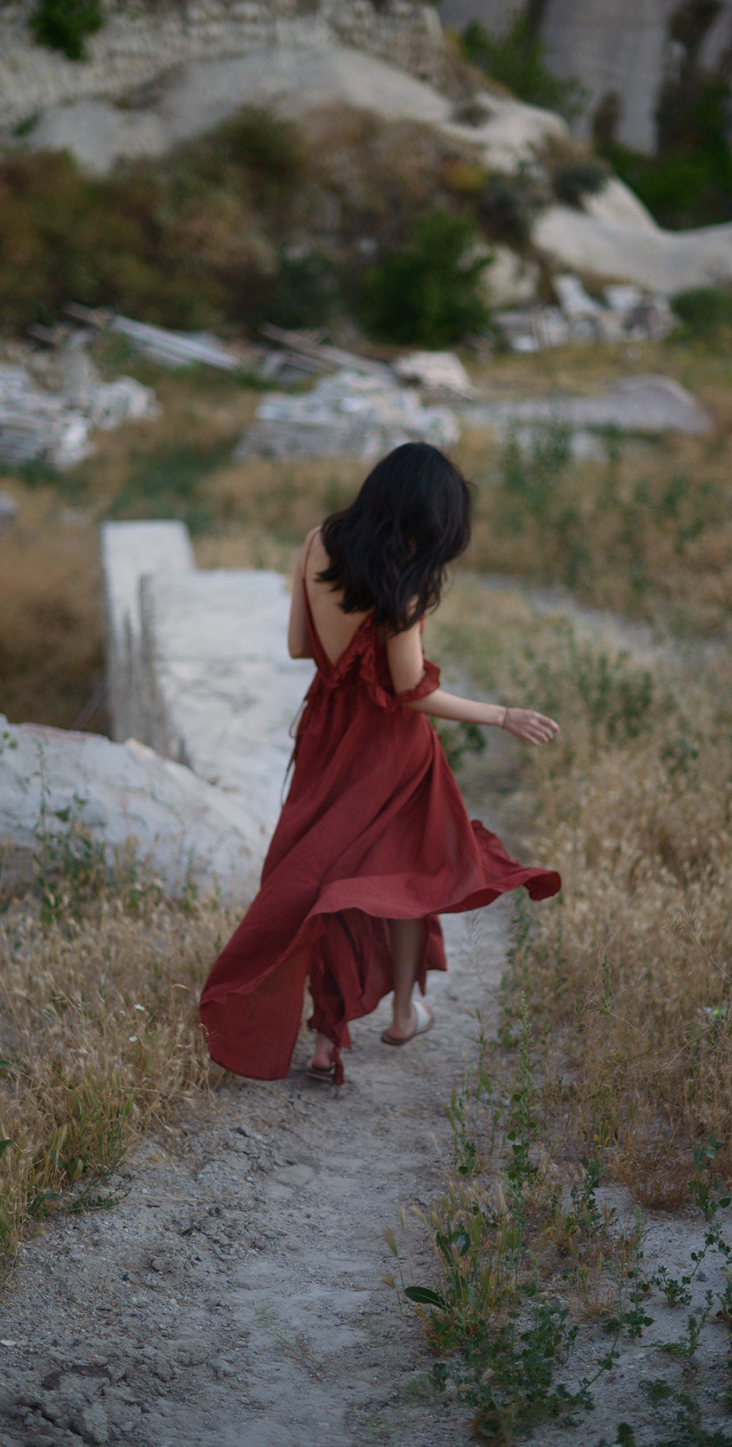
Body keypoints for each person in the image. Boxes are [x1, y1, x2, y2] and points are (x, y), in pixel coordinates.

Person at [199, 442, 561, 1086]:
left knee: (318, 880)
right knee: (412, 872)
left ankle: (324, 1040)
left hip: (323, 736)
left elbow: (294, 645)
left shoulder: (316, 542)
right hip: (390, 752)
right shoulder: (405, 582)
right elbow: (409, 690)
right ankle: (400, 1011)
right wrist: (503, 715)